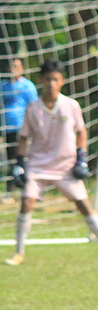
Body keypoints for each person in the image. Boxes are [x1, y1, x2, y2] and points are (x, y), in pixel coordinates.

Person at [4, 58, 98, 266]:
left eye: (55, 79)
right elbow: (24, 138)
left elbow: (81, 131)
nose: (51, 84)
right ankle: (18, 252)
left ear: (62, 81)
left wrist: (81, 159)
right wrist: (19, 163)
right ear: (41, 81)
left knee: (84, 205)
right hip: (38, 165)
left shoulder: (71, 105)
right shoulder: (33, 108)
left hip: (65, 166)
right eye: (47, 80)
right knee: (26, 203)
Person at [2, 57, 38, 202]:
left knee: (21, 158)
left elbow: (34, 107)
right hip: (6, 128)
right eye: (11, 66)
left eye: (16, 66)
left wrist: (33, 130)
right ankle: (9, 192)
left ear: (22, 68)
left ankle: (27, 189)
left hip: (22, 128)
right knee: (11, 160)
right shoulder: (3, 86)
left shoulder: (28, 86)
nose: (13, 69)